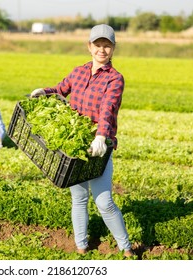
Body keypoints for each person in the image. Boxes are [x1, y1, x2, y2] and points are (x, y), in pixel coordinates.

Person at [30, 24, 134, 257]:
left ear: (113, 49)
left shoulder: (115, 79)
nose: (102, 50)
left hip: (98, 147)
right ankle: (81, 246)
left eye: (107, 46)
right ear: (89, 47)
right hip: (75, 146)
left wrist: (101, 135)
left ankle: (126, 248)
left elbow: (108, 108)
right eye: (98, 45)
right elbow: (60, 89)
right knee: (78, 197)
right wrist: (44, 92)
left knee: (104, 201)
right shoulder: (78, 72)